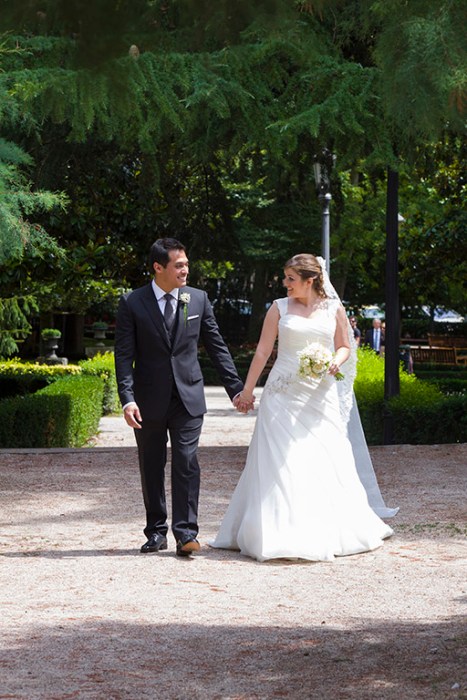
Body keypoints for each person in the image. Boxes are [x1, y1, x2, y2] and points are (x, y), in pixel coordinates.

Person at [210, 253, 397, 562]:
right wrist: (247, 391)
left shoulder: (333, 308)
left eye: (291, 279)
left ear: (310, 280)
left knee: (323, 455)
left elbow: (345, 345)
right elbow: (263, 351)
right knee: (279, 459)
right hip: (282, 394)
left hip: (319, 394)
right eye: (285, 278)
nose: (286, 284)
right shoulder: (278, 308)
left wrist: (334, 361)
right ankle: (275, 531)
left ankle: (323, 527)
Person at [114, 238, 247, 557]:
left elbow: (216, 346)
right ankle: (156, 531)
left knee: (187, 461)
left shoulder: (197, 299)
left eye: (186, 264)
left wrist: (236, 389)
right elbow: (124, 355)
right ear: (158, 267)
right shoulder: (132, 302)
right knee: (151, 464)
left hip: (188, 397)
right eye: (179, 265)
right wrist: (127, 399)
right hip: (148, 401)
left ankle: (186, 533)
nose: (185, 270)